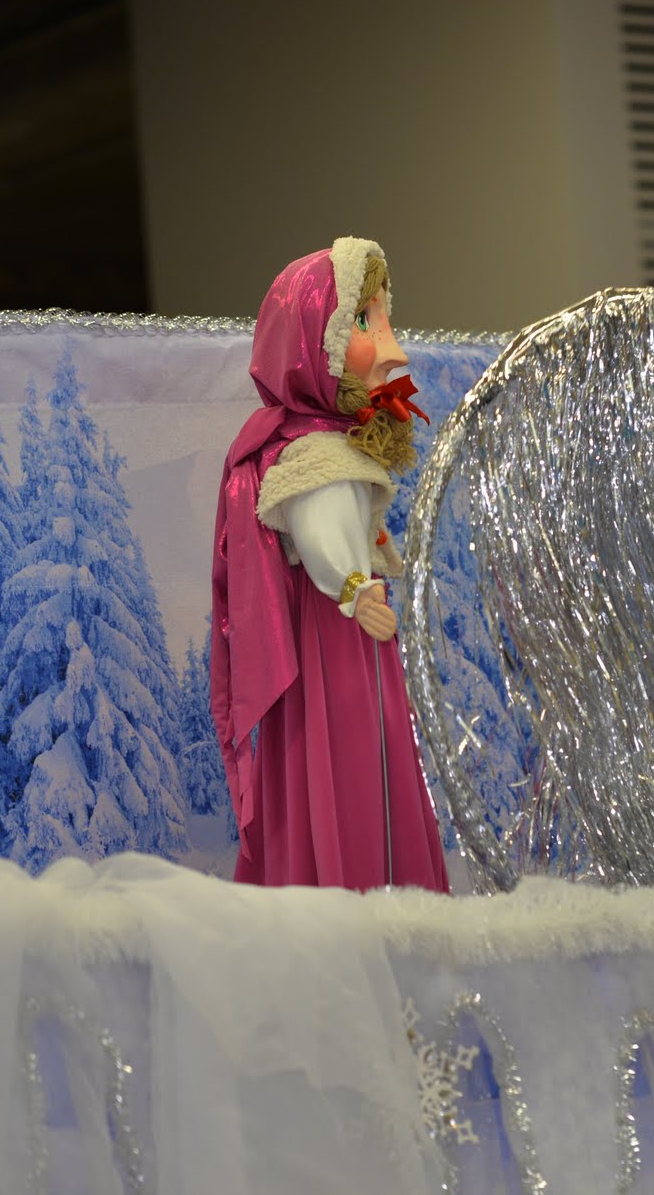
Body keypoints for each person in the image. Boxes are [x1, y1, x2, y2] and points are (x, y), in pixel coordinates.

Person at [210, 237, 450, 892]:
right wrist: (354, 588)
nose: (391, 346)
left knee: (351, 748)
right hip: (335, 636)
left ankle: (341, 871)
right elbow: (321, 533)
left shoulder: (318, 446)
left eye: (383, 317)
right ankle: (352, 878)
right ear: (318, 343)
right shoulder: (319, 458)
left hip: (342, 624)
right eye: (366, 320)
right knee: (348, 748)